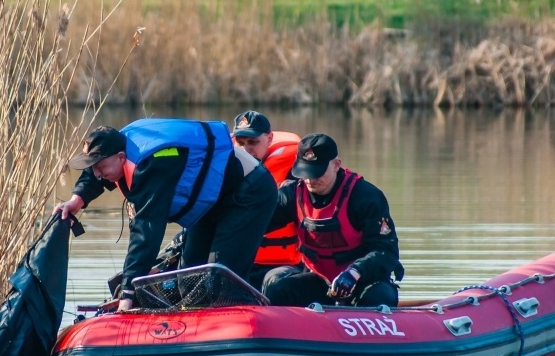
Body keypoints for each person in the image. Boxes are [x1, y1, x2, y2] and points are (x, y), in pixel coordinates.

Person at [56, 118, 277, 311]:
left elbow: (146, 233)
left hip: (248, 192)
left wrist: (128, 293)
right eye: (94, 168)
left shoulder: (152, 165)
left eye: (101, 167)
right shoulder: (115, 147)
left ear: (122, 158)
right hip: (210, 203)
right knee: (188, 280)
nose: (97, 173)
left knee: (220, 281)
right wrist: (78, 199)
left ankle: (252, 322)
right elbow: (96, 166)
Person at [262, 133, 404, 307]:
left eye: (317, 172)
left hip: (363, 281)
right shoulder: (291, 195)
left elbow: (386, 251)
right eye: (305, 172)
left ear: (336, 165)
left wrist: (354, 272)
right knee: (278, 289)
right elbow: (253, 224)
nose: (310, 179)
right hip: (321, 281)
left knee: (377, 297)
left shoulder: (365, 196)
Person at [231, 110, 303, 288]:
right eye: (240, 143)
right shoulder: (224, 173)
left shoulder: (295, 174)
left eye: (253, 142)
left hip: (283, 266)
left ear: (269, 139)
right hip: (238, 263)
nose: (246, 150)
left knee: (275, 284)